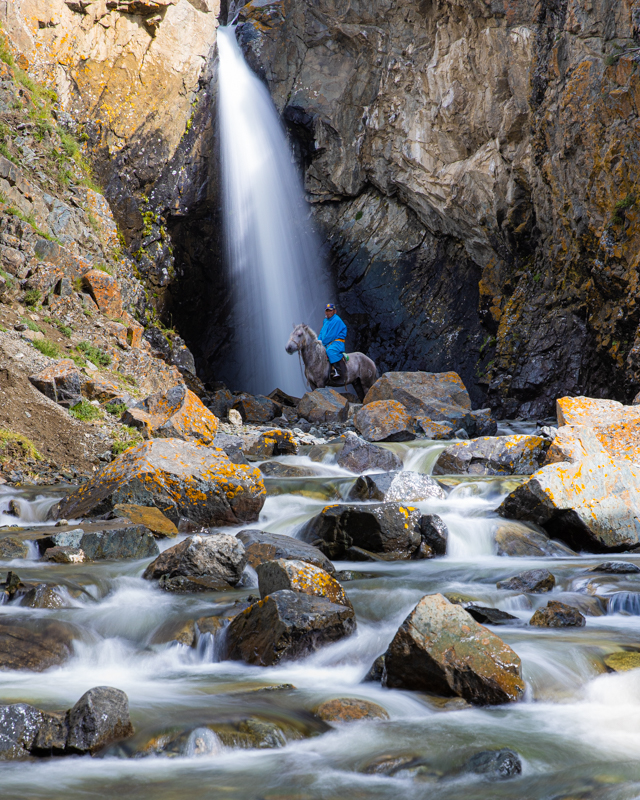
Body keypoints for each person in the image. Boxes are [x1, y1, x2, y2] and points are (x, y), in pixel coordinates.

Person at [318, 303, 348, 382]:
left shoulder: (336, 320)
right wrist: (318, 341)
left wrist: (322, 343)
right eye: (327, 311)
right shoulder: (325, 321)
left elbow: (331, 335)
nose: (328, 313)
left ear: (335, 311)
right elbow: (322, 333)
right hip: (327, 342)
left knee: (330, 350)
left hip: (337, 342)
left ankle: (337, 370)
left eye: (330, 311)